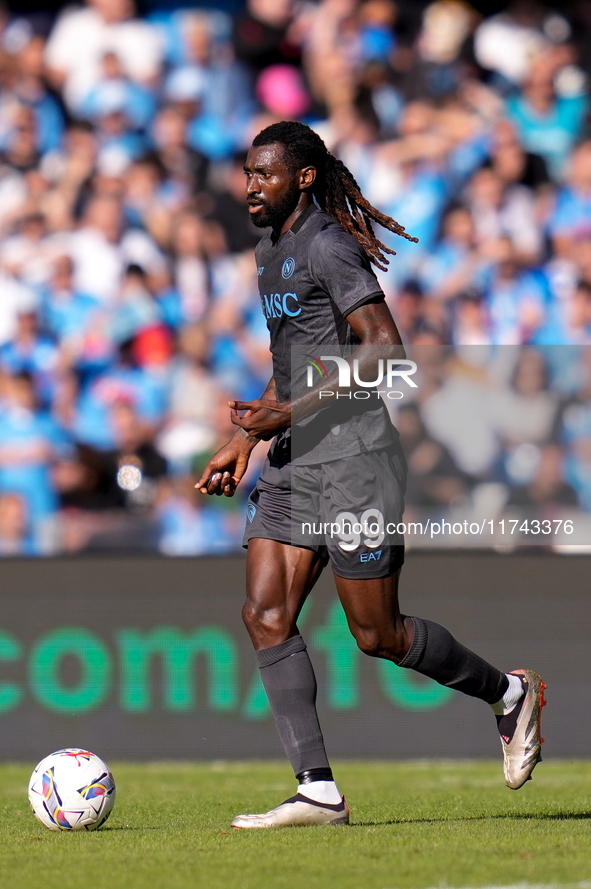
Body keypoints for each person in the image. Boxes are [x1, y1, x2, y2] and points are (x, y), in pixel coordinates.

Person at [196, 120, 546, 829]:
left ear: (300, 177)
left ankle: (508, 694)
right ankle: (317, 790)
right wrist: (246, 438)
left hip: (356, 462)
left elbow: (386, 352)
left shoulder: (328, 244)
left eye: (263, 174)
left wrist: (286, 412)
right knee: (265, 615)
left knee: (376, 636)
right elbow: (295, 356)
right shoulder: (271, 251)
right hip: (297, 464)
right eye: (245, 174)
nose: (248, 187)